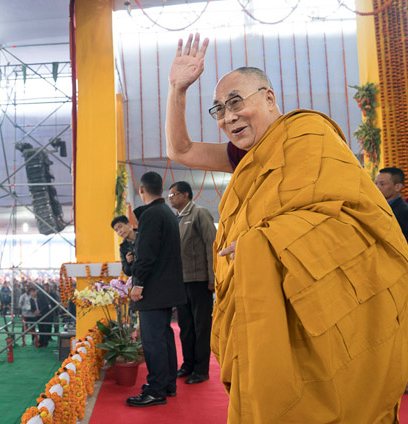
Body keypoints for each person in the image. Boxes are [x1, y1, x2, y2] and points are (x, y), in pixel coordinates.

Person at [165, 33, 408, 422]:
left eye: (235, 103)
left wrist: (264, 243)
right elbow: (180, 150)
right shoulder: (244, 155)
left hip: (322, 298)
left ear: (269, 98)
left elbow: (349, 222)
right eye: (219, 110)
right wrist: (178, 89)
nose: (228, 117)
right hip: (270, 304)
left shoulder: (309, 137)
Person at [127, 172, 186, 407]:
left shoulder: (152, 215)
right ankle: (167, 384)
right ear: (160, 189)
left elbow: (147, 254)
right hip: (167, 287)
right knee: (164, 338)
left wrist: (138, 284)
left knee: (153, 341)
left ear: (142, 190)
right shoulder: (168, 214)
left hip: (153, 288)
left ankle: (156, 389)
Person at [167, 181, 216, 385]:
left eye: (173, 195)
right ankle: (188, 364)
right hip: (181, 282)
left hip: (200, 281)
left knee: (201, 327)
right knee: (185, 326)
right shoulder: (176, 218)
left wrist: (213, 279)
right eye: (169, 196)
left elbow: (211, 246)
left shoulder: (200, 213)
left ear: (186, 195)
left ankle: (201, 369)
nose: (171, 199)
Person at [376, 167, 408, 241]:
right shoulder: (382, 207)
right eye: (376, 183)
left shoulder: (403, 212)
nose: (377, 188)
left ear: (397, 187)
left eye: (382, 184)